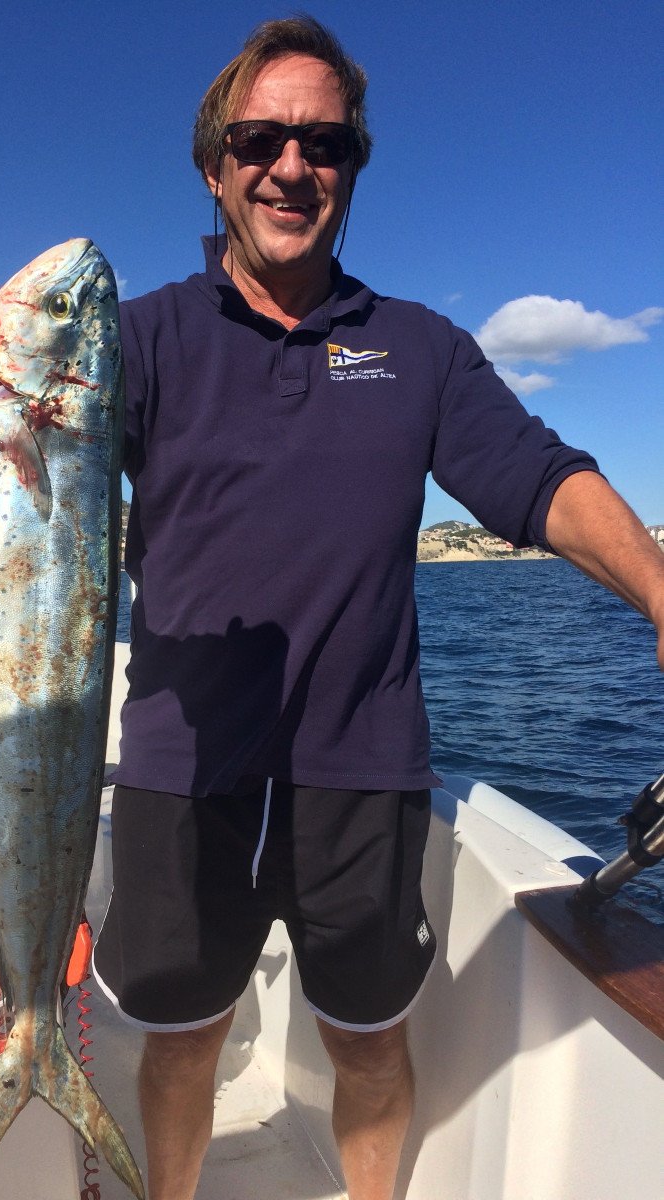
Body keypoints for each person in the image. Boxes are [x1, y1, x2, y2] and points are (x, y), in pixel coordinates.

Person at [87, 16, 664, 1200]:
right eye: (260, 138)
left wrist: (661, 591)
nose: (291, 166)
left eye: (324, 143)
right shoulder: (139, 341)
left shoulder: (421, 349)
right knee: (186, 1037)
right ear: (215, 163)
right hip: (180, 770)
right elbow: (35, 476)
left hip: (364, 768)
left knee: (367, 1037)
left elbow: (536, 476)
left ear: (350, 168)